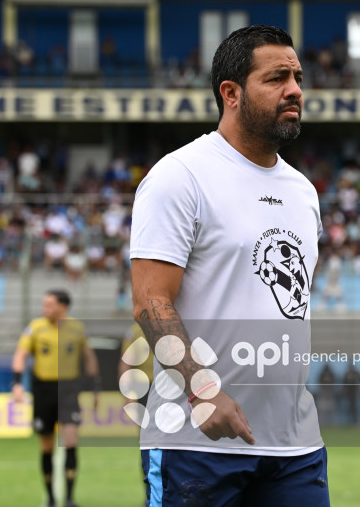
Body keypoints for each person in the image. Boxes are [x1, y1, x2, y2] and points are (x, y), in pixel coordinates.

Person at [130, 25, 329, 506]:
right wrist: (202, 391)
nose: (295, 90)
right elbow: (150, 302)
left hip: (294, 445)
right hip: (196, 442)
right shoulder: (180, 177)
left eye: (298, 77)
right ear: (231, 92)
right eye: (278, 77)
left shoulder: (303, 191)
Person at [11, 290, 101, 507]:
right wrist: (16, 383)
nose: (45, 309)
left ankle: (69, 497)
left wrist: (96, 387)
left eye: (49, 305)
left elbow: (89, 357)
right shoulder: (35, 328)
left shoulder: (77, 329)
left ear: (63, 307)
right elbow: (20, 355)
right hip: (44, 390)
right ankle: (50, 496)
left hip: (69, 389)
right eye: (44, 305)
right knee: (46, 445)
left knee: (71, 440)